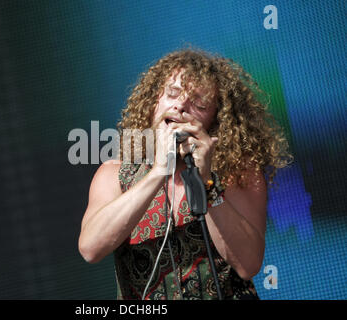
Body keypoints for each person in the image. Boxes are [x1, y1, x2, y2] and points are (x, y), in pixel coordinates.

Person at [78, 48, 292, 300]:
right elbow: (90, 249)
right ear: (154, 100)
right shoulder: (114, 174)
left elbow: (248, 264)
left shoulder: (236, 172)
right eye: (172, 93)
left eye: (198, 103)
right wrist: (158, 172)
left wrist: (207, 187)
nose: (180, 106)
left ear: (214, 121)